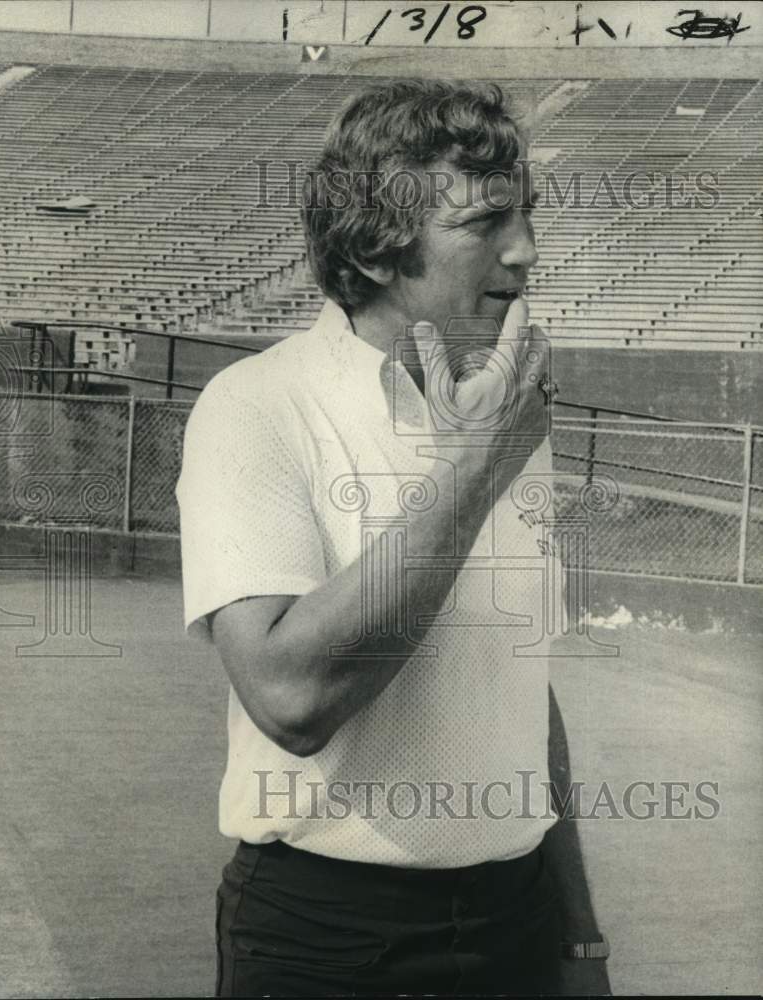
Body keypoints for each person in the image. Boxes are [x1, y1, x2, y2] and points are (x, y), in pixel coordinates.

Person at [176, 78, 611, 997]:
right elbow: (290, 699)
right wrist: (476, 468)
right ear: (376, 248)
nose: (526, 252)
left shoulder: (498, 412)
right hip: (329, 938)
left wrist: (577, 935)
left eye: (526, 214)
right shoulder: (258, 405)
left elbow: (524, 690)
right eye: (486, 222)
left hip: (519, 922)